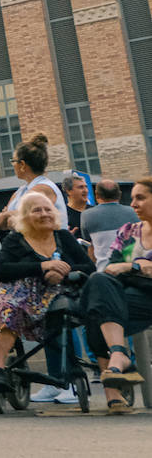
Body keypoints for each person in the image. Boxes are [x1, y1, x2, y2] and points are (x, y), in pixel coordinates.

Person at [0, 191, 95, 393]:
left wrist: (63, 272)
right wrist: (43, 267)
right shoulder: (16, 239)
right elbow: (3, 270)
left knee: (59, 309)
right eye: (36, 210)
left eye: (48, 209)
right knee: (9, 308)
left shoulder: (62, 236)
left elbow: (88, 267)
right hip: (21, 296)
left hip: (59, 293)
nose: (44, 214)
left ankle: (67, 373)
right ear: (25, 216)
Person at [80, 174, 152, 413]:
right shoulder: (129, 231)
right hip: (129, 297)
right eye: (132, 199)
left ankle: (114, 391)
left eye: (140, 198)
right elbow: (111, 267)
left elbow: (120, 268)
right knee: (98, 282)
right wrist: (137, 268)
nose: (133, 205)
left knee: (96, 305)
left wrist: (131, 267)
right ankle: (119, 355)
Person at [0, 133, 62, 230]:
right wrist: (12, 215)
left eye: (13, 161)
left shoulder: (43, 188)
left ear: (22, 164)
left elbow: (18, 221)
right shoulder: (21, 191)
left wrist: (7, 214)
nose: (13, 165)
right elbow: (0, 222)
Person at [83, 179, 137, 272]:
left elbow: (89, 245)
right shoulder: (135, 212)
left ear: (97, 195)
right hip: (132, 270)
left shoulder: (86, 215)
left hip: (103, 271)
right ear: (119, 194)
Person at [63, 173, 91, 239]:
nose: (85, 190)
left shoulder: (94, 211)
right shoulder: (63, 215)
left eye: (86, 187)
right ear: (69, 191)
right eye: (81, 187)